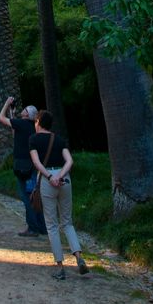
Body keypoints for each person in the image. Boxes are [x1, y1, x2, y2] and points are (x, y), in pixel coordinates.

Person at [29, 109, 89, 279]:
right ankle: (78, 257)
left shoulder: (33, 139)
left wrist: (50, 177)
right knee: (67, 222)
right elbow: (69, 161)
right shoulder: (59, 139)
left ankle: (60, 266)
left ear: (39, 122)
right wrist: (60, 176)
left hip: (48, 181)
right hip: (64, 180)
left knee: (52, 225)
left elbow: (36, 162)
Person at [0, 96, 47, 236]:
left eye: (25, 110)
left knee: (27, 197)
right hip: (33, 166)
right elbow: (15, 132)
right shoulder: (33, 127)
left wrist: (6, 104)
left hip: (22, 166)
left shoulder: (21, 123)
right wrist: (12, 113)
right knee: (35, 195)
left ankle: (32, 228)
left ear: (28, 115)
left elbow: (1, 118)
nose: (23, 110)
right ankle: (41, 227)